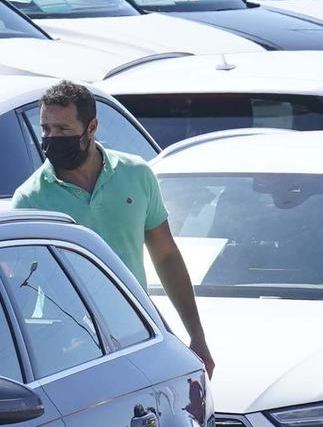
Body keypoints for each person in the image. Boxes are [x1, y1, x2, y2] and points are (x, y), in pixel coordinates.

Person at [11, 82, 215, 375]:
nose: (51, 138)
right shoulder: (30, 199)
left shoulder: (136, 174)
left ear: (91, 127)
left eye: (63, 130)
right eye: (46, 129)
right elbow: (21, 281)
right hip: (68, 347)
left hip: (136, 332)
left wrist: (196, 335)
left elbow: (166, 255)